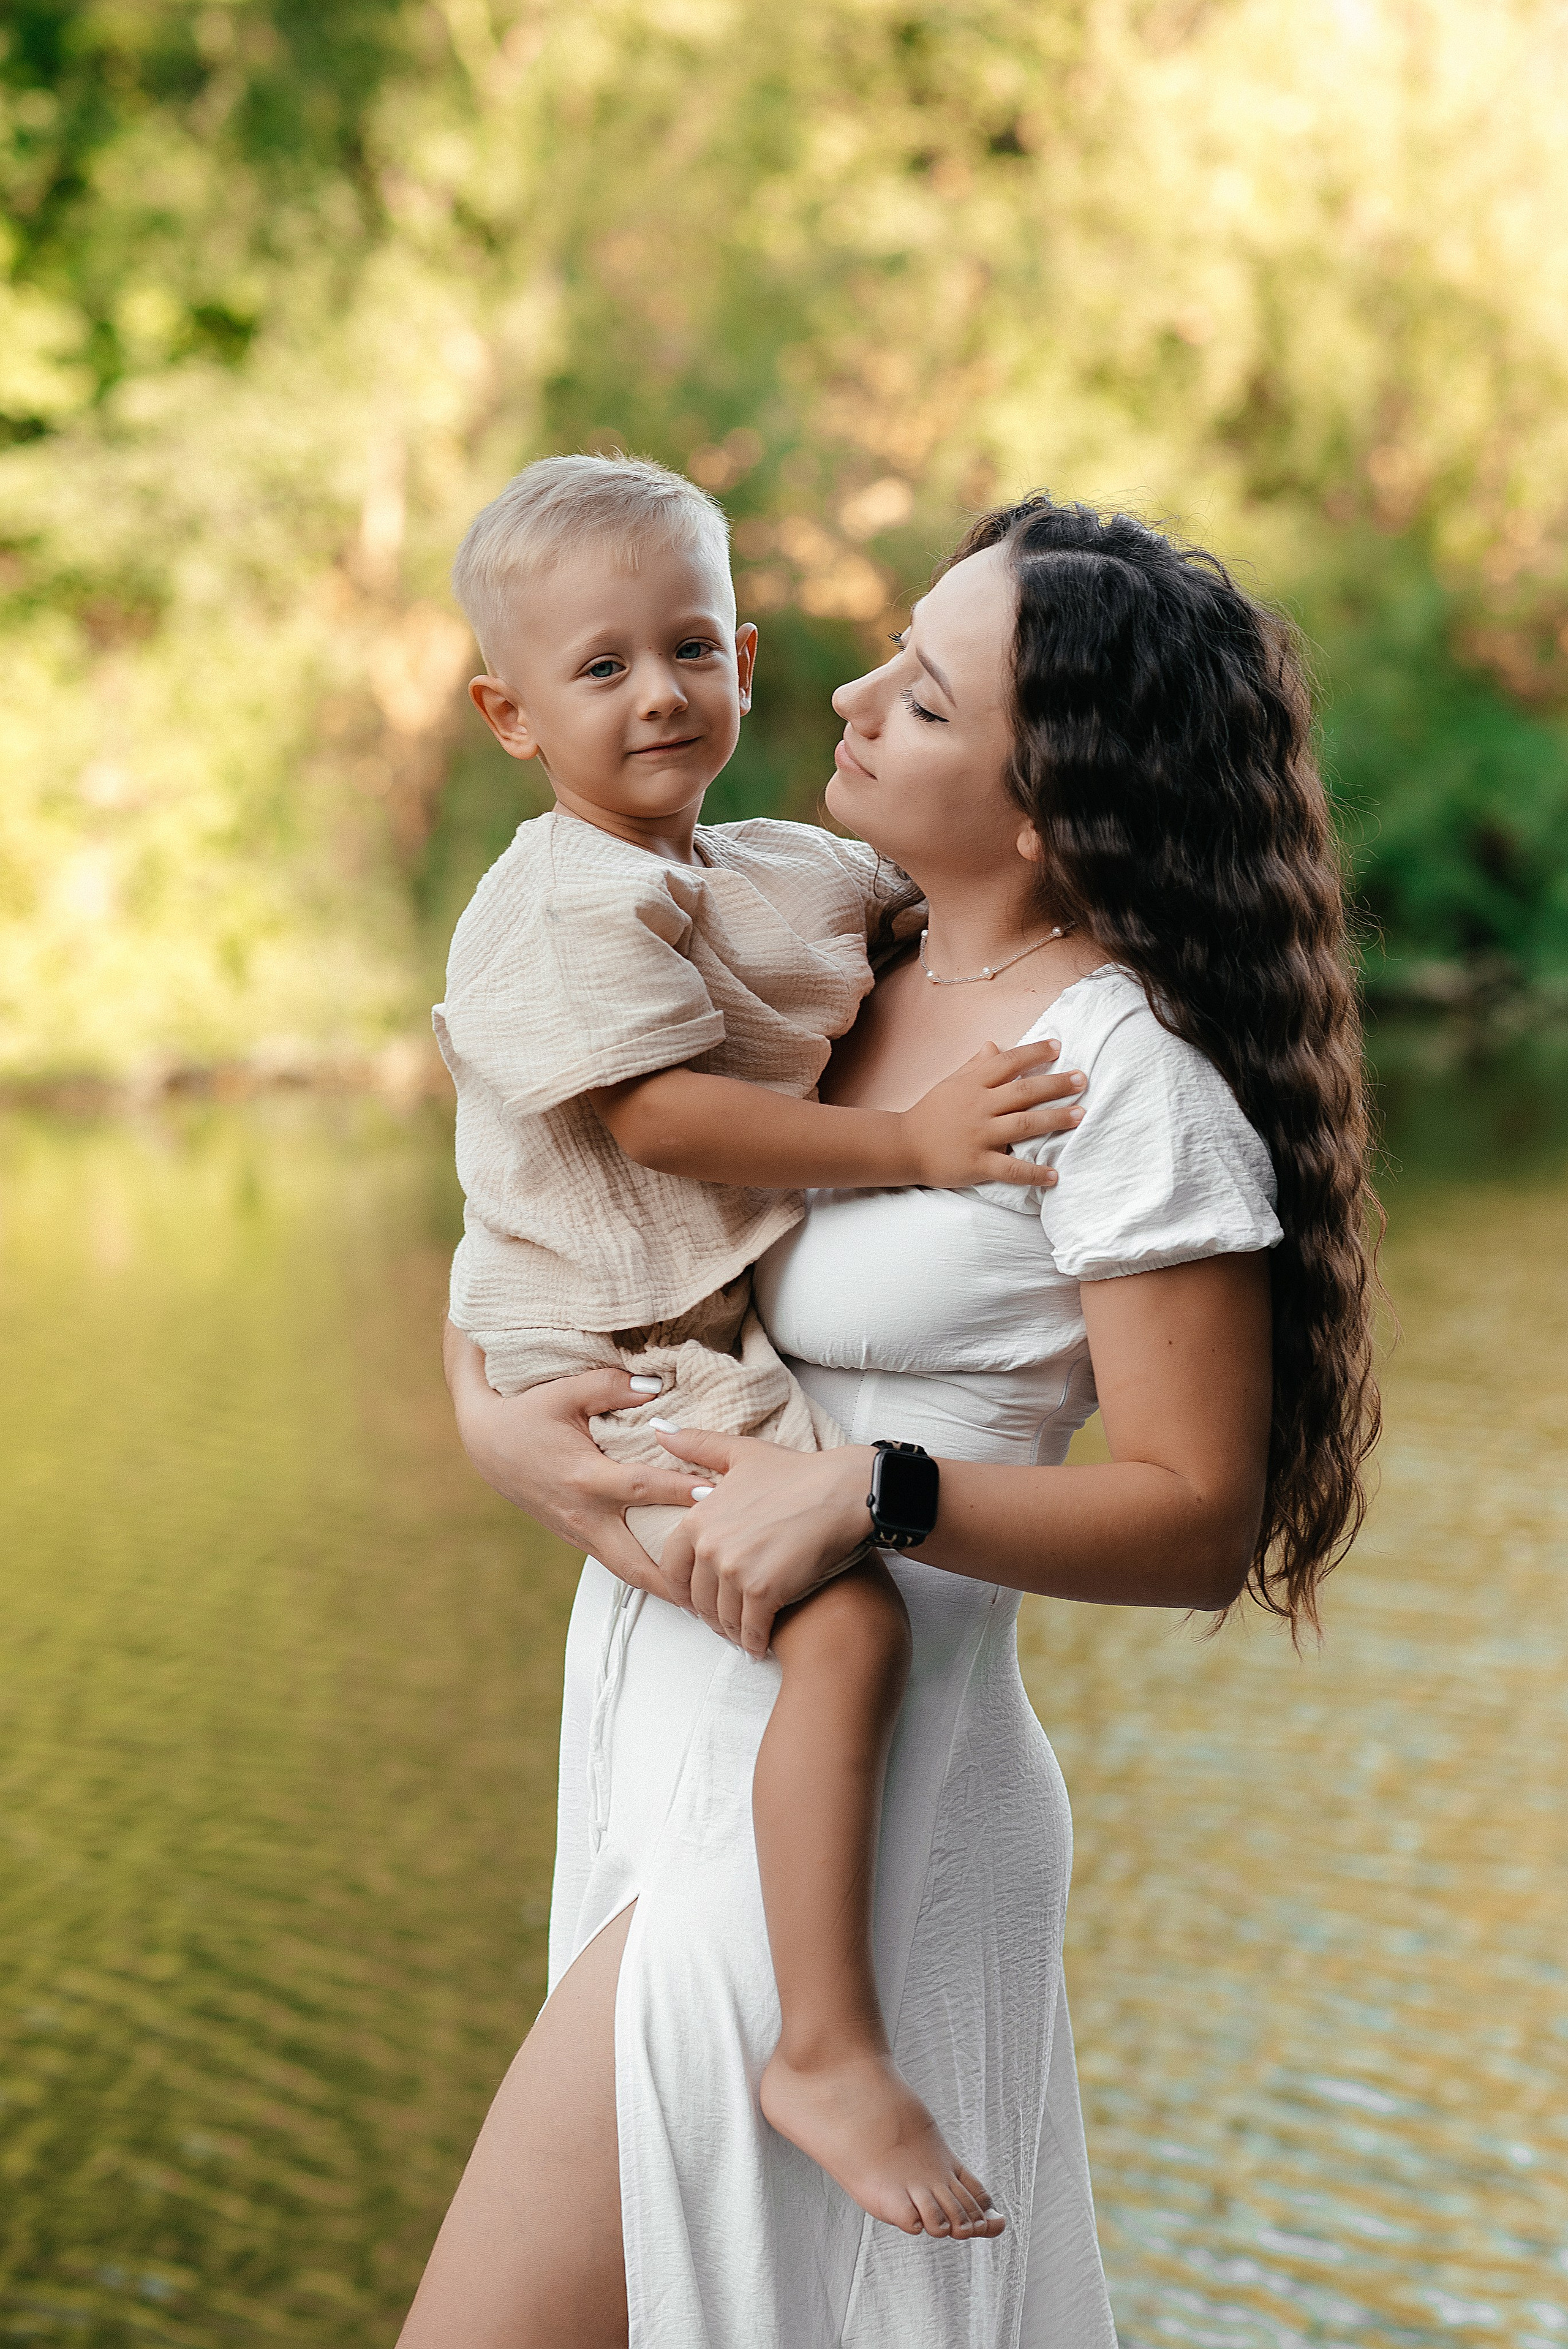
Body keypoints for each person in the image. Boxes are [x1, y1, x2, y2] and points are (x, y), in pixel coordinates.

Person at [401, 496, 1381, 2349]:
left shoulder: (1118, 1079)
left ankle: (829, 2049)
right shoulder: (836, 960)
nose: (844, 693)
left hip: (864, 1794)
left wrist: (884, 1483)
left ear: (1045, 801)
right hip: (666, 1716)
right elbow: (578, 1209)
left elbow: (1196, 1514)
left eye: (925, 697)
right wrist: (490, 1422)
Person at [432, 453, 1090, 2244]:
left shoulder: (772, 867)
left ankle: (809, 2024)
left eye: (695, 645)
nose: (662, 691)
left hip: (695, 1339)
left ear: (739, 655)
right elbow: (654, 1122)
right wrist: (916, 1145)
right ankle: (823, 2040)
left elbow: (920, 912)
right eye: (600, 668)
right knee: (851, 1612)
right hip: (625, 1348)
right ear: (509, 713)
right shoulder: (568, 903)